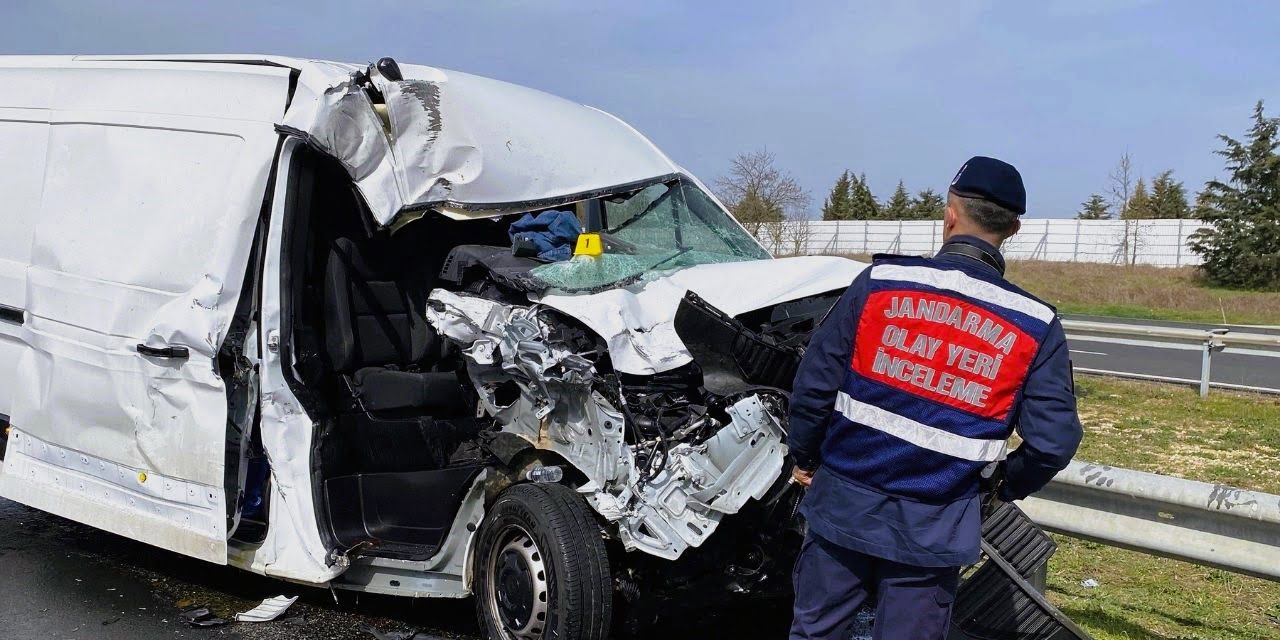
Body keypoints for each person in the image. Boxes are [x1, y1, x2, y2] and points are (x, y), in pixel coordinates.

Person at [787, 156, 1083, 640]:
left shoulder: (879, 283)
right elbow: (1053, 442)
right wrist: (999, 488)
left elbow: (814, 384)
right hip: (937, 527)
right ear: (1013, 228)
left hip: (844, 505)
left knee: (817, 632)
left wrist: (805, 454)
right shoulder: (1036, 324)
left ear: (949, 214)